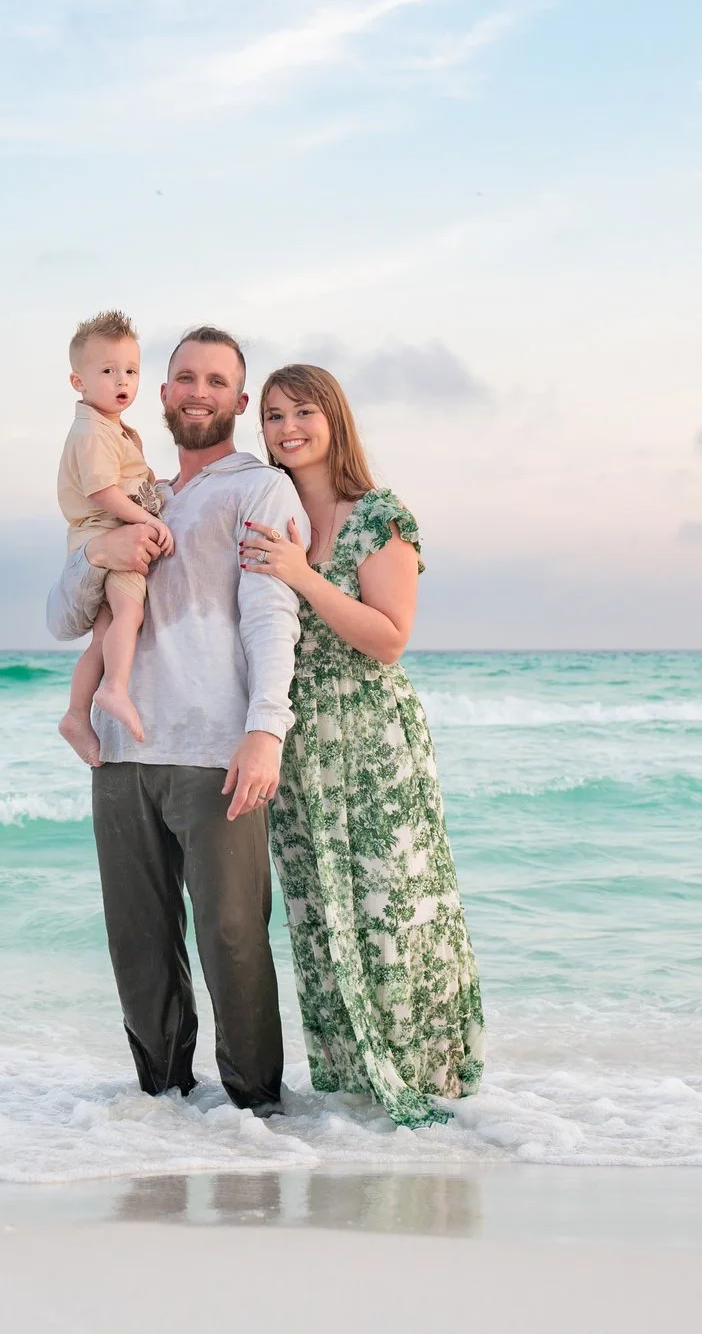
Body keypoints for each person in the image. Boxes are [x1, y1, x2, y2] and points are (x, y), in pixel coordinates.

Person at [46, 326, 310, 1116]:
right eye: (184, 377)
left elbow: (272, 618)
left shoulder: (259, 490)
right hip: (122, 754)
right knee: (139, 948)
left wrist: (266, 727)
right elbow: (61, 618)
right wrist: (104, 552)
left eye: (217, 380)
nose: (199, 391)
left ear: (239, 398)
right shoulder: (131, 492)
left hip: (213, 751)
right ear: (162, 395)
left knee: (233, 940)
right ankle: (161, 1115)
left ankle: (256, 1115)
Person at [242, 363, 485, 1126]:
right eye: (275, 415)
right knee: (321, 913)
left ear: (334, 419)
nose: (288, 428)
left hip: (375, 738)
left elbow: (389, 639)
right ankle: (352, 1096)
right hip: (301, 738)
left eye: (304, 412)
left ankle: (428, 1079)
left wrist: (301, 575)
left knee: (396, 907)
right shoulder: (270, 511)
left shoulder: (380, 514)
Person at [55, 310, 171, 762]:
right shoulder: (91, 432)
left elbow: (130, 481)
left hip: (105, 534)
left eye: (130, 370)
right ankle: (116, 689)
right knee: (129, 614)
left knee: (103, 636)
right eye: (107, 371)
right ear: (77, 381)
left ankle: (76, 715)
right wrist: (151, 523)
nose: (121, 379)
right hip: (109, 536)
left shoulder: (114, 429)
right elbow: (103, 491)